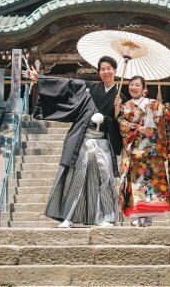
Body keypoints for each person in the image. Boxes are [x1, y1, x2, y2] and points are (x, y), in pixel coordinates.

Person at [24, 56, 125, 228]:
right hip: (84, 139)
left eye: (109, 68)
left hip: (103, 141)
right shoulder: (90, 88)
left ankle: (108, 218)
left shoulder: (120, 95)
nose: (106, 72)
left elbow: (120, 122)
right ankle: (68, 217)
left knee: (107, 177)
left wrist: (117, 110)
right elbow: (67, 85)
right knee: (77, 177)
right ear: (99, 72)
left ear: (115, 71)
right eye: (102, 69)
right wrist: (40, 79)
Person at [117, 76, 170, 226]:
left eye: (137, 85)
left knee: (154, 186)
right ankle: (136, 217)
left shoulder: (155, 104)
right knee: (136, 185)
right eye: (131, 85)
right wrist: (136, 128)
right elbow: (121, 123)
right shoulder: (125, 106)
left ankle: (148, 218)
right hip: (135, 152)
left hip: (154, 151)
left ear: (144, 88)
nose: (133, 87)